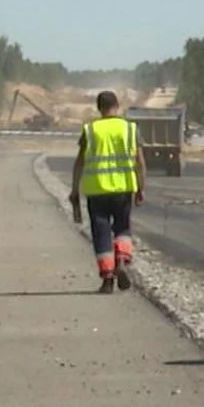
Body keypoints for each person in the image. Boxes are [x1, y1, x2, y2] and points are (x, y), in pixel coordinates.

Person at [68, 90, 146, 293]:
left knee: (101, 233)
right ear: (117, 106)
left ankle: (108, 280)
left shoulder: (90, 130)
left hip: (97, 190)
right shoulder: (129, 128)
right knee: (122, 228)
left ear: (98, 108)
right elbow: (140, 162)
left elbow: (79, 162)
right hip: (123, 189)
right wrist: (140, 188)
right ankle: (121, 260)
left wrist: (74, 189)